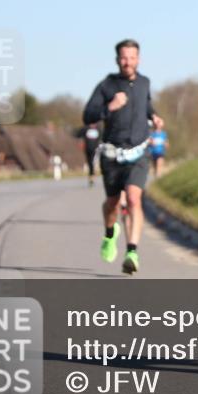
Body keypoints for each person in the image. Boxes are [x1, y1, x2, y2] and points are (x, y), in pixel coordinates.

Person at [83, 39, 164, 275]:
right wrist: (110, 106)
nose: (128, 62)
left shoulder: (144, 83)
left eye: (132, 57)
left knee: (134, 198)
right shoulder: (106, 86)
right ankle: (110, 234)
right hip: (112, 155)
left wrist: (155, 116)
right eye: (124, 57)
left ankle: (132, 252)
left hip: (138, 153)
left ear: (138, 59)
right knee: (113, 204)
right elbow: (87, 115)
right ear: (117, 60)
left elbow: (146, 106)